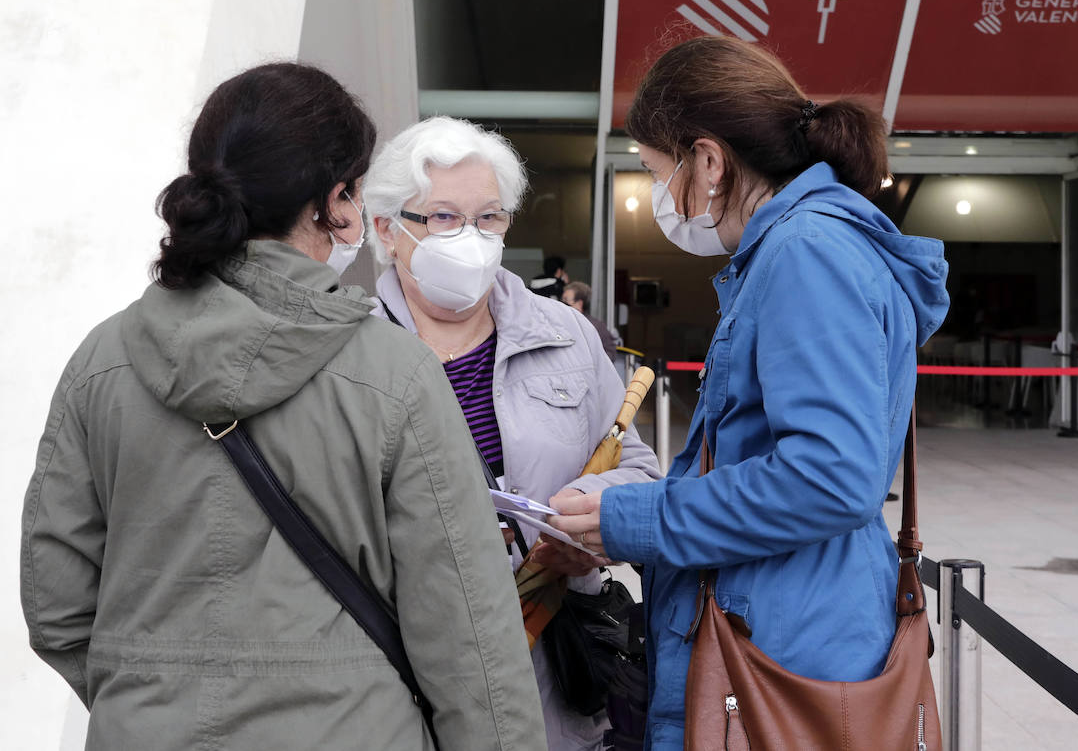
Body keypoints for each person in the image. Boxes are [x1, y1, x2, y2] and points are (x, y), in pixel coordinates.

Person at [20, 63, 545, 750]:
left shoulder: (102, 362)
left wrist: (148, 691)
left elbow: (56, 601)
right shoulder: (395, 374)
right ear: (337, 200)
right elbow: (471, 635)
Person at [548, 36, 949, 748]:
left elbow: (829, 479)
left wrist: (635, 518)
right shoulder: (807, 245)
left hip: (780, 650)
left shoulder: (805, 252)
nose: (657, 195)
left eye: (654, 169)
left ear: (707, 160)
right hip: (797, 627)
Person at [362, 116, 662, 751]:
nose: (470, 238)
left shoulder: (567, 334)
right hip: (404, 680)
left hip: (555, 668)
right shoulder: (350, 352)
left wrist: (591, 518)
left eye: (489, 218)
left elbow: (639, 468)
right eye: (443, 218)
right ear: (388, 231)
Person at [562, 280, 622, 362]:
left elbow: (610, 353)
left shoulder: (595, 326)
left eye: (566, 301)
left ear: (579, 304)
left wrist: (589, 362)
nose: (561, 304)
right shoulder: (558, 323)